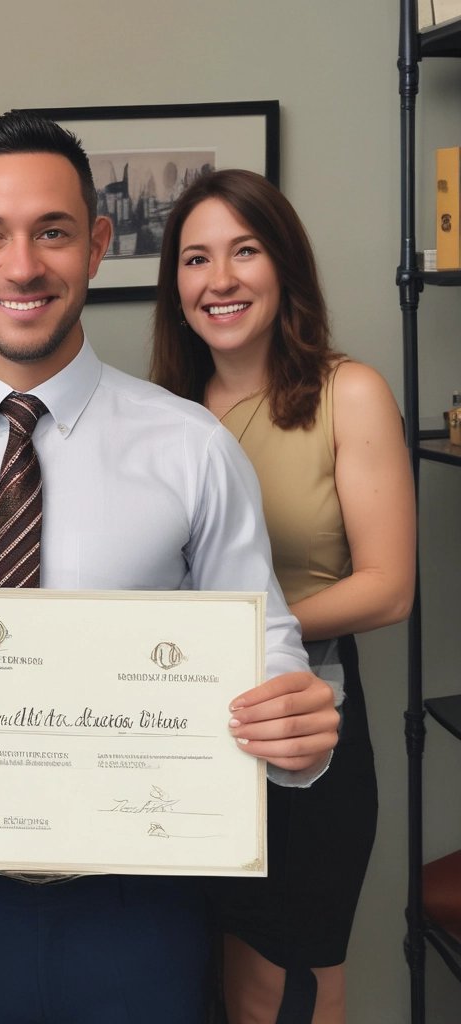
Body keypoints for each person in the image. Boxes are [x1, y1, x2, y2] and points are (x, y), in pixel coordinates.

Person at [0, 111, 341, 1024]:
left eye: (55, 232)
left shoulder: (191, 450)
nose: (23, 265)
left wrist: (295, 726)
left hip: (146, 894)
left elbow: (263, 644)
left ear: (100, 244)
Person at [150, 168, 415, 1024]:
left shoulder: (351, 392)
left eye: (244, 251)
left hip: (310, 715)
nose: (219, 279)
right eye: (196, 259)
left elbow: (388, 587)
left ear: (285, 265)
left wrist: (242, 632)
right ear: (176, 285)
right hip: (184, 726)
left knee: (286, 987)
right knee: (201, 975)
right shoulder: (159, 414)